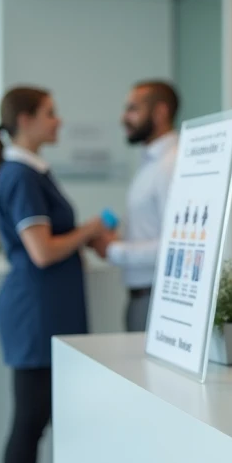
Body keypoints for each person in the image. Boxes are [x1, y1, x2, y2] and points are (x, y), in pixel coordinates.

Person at [0, 87, 107, 463]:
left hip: (46, 311)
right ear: (27, 119)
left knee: (37, 419)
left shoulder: (29, 172)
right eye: (51, 114)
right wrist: (90, 230)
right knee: (30, 421)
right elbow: (42, 249)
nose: (59, 121)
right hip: (35, 314)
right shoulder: (20, 176)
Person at [92, 81, 180, 332]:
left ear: (160, 112)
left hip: (157, 298)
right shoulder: (151, 162)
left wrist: (113, 249)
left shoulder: (171, 164)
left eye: (132, 109)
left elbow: (175, 246)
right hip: (143, 296)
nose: (124, 117)